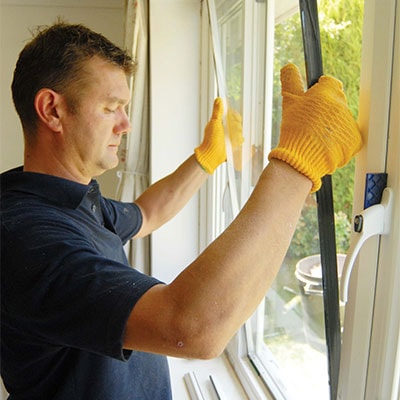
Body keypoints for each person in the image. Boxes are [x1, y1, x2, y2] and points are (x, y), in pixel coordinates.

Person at [0, 22, 362, 399]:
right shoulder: (25, 237)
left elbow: (147, 213)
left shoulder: (67, 200)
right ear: (52, 110)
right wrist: (296, 166)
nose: (124, 124)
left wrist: (205, 160)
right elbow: (191, 329)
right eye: (111, 108)